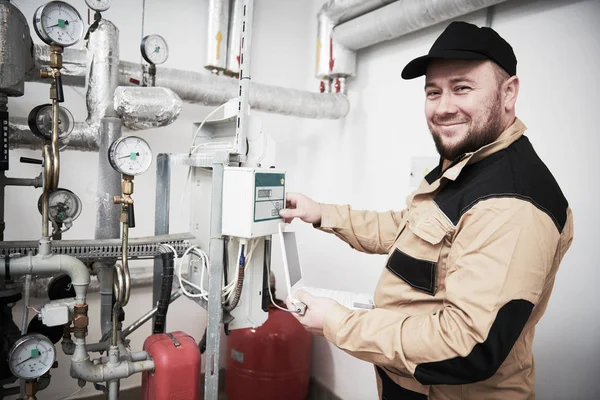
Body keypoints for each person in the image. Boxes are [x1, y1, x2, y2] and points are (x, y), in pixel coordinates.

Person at [279, 21, 574, 400]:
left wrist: (339, 322)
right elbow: (409, 229)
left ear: (508, 93)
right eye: (433, 92)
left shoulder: (511, 202)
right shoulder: (469, 164)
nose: (443, 107)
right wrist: (321, 213)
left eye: (462, 88)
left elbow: (467, 345)